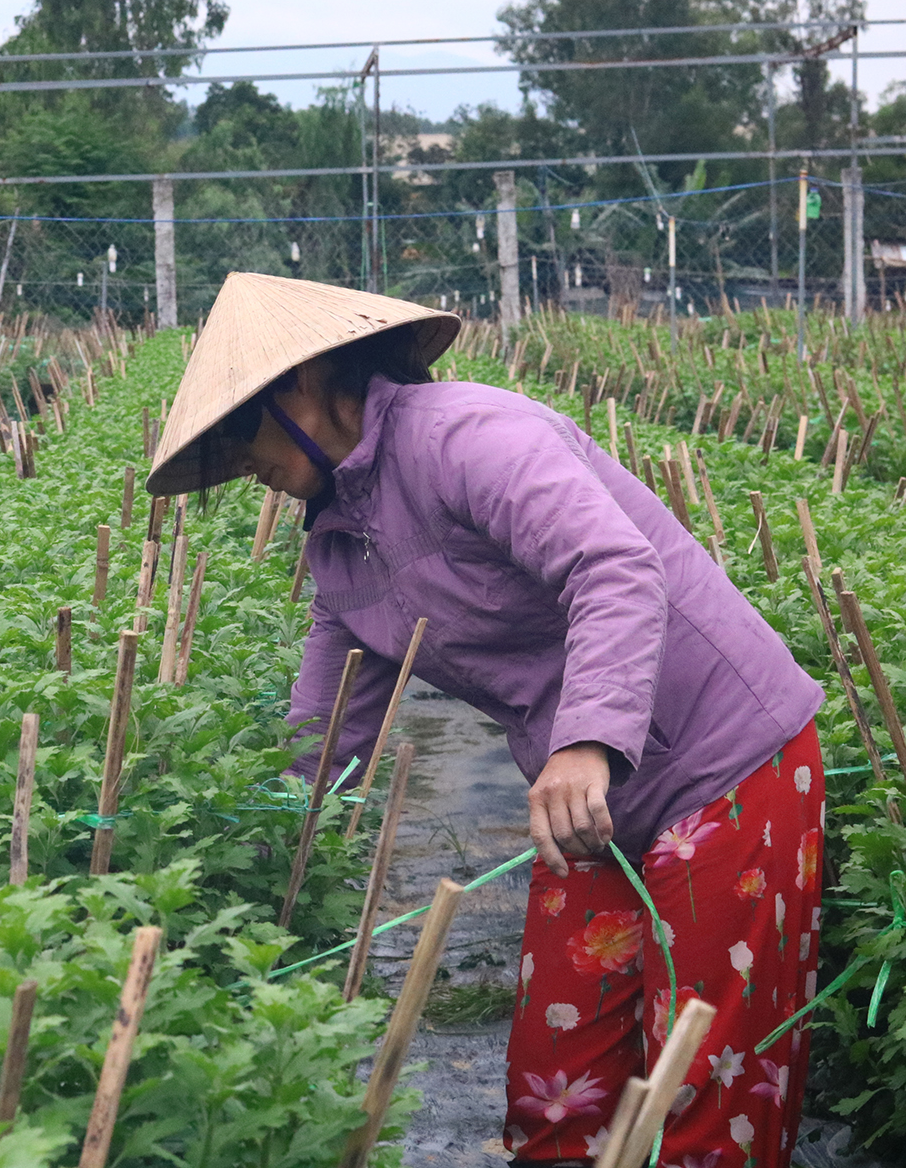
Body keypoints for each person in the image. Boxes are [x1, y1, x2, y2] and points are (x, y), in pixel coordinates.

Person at [147, 273, 824, 1168]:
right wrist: (238, 876)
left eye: (242, 429)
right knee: (558, 1085)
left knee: (704, 1092)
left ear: (303, 385)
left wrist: (584, 741)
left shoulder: (467, 436)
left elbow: (614, 566)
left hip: (729, 762)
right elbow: (319, 740)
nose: (244, 464)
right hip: (589, 801)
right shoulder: (339, 546)